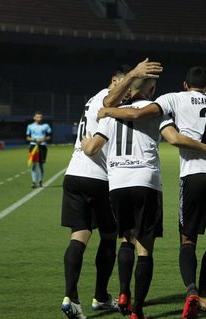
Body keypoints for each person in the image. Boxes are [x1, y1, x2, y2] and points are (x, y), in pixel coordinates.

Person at [96, 66, 206, 319]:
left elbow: (141, 114)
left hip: (188, 176)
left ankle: (190, 292)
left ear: (185, 85)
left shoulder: (173, 98)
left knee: (184, 239)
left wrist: (108, 110)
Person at [59, 61, 163, 319]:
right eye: (122, 84)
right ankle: (102, 295)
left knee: (79, 236)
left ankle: (71, 298)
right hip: (99, 177)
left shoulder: (95, 101)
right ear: (115, 80)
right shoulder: (107, 101)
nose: (126, 91)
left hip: (74, 174)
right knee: (109, 237)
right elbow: (95, 141)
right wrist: (133, 76)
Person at [26, 111, 52, 188]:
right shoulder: (30, 126)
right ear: (34, 117)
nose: (39, 118)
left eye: (40, 117)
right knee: (34, 164)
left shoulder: (46, 126)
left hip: (42, 146)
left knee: (41, 164)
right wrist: (34, 140)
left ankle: (40, 181)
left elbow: (49, 136)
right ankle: (33, 182)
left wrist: (43, 139)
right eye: (37, 117)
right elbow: (27, 137)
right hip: (33, 146)